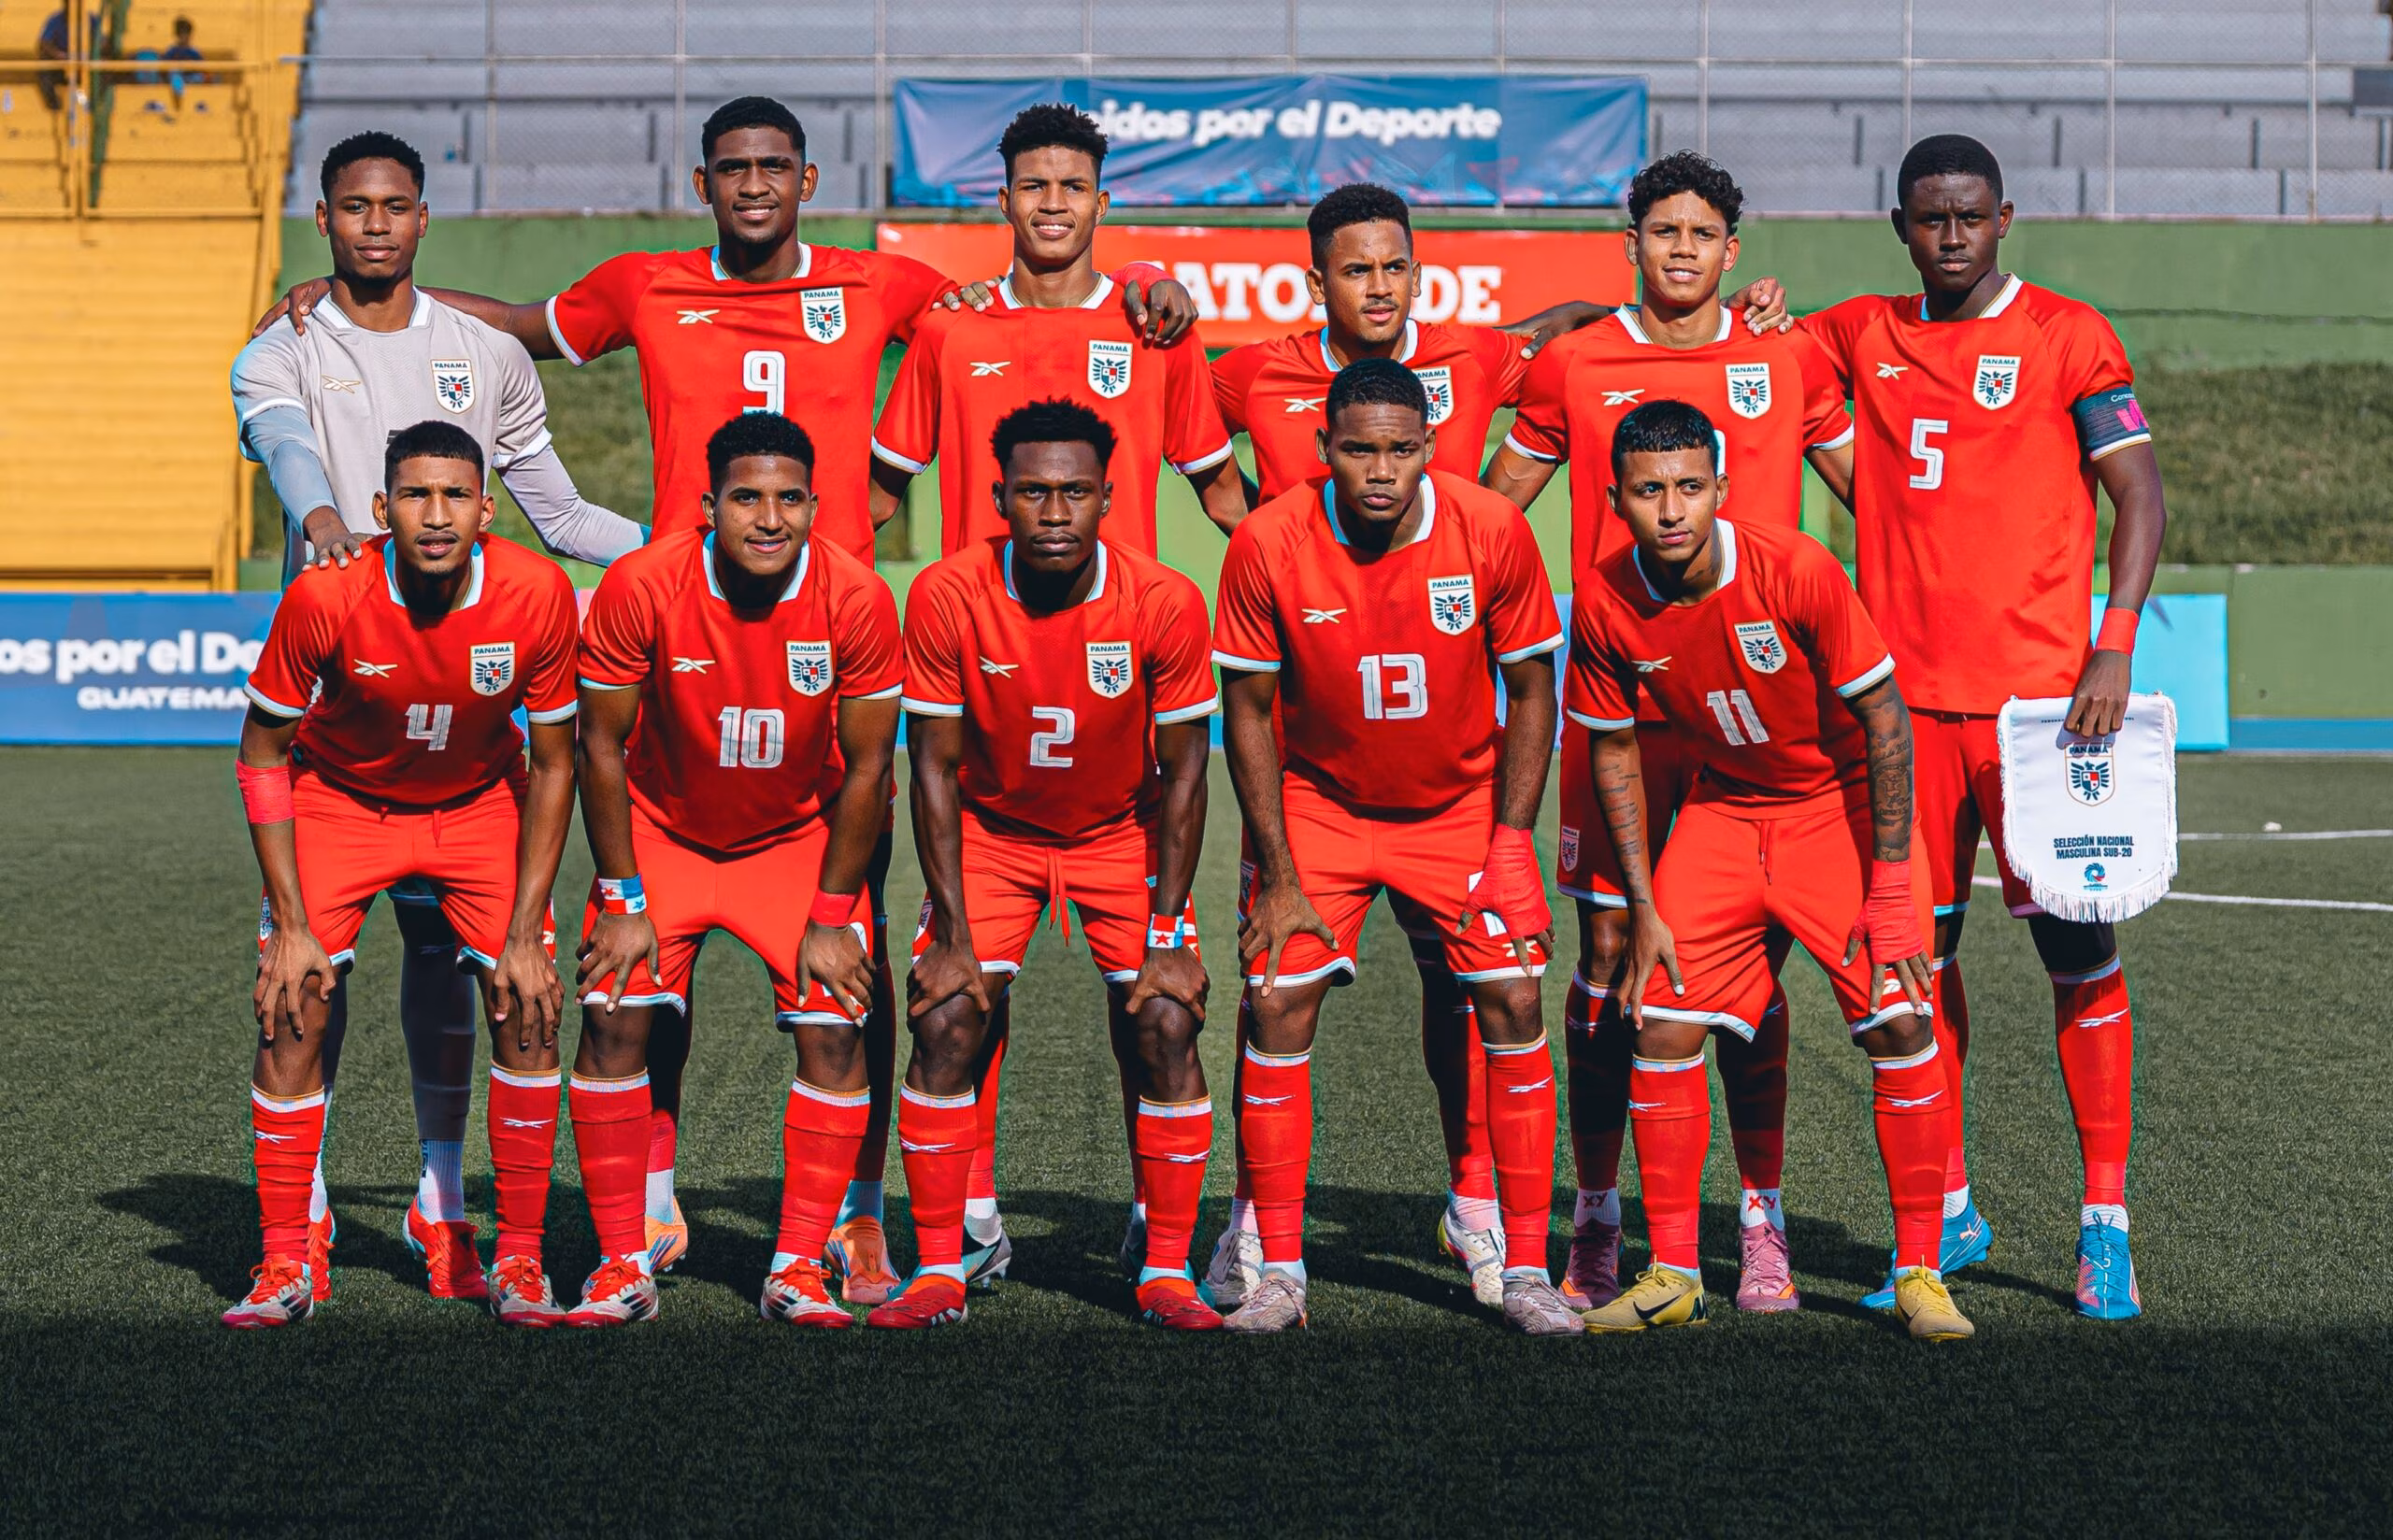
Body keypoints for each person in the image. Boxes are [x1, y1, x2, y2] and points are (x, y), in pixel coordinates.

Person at [254, 97, 1194, 1299]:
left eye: (775, 169)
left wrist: (1152, 275)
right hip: (681, 628)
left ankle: (854, 1213)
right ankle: (647, 1195)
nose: (754, 187)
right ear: (705, 181)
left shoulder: (884, 285)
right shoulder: (645, 285)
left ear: (806, 182)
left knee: (848, 941)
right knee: (648, 956)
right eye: (734, 169)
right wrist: (354, 303)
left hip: (832, 633)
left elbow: (1022, 281)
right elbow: (526, 329)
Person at [227, 130, 640, 1309]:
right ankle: (296, 1217)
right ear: (325, 218)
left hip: (466, 720)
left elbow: (555, 512)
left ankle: (446, 1195)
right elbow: (290, 450)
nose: (373, 225)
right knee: (308, 974)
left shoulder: (483, 353)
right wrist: (322, 525)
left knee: (462, 961)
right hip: (349, 690)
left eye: (394, 206)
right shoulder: (281, 346)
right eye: (353, 207)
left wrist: (683, 552)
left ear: (422, 219)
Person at [1481, 150, 1856, 1313]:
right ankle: (1597, 1218)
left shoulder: (1782, 355)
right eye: (1662, 231)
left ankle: (1760, 1219)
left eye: (1702, 233)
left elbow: (1882, 499)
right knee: (1605, 964)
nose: (1681, 250)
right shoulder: (1576, 361)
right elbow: (1493, 511)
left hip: (1763, 732)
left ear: (1732, 251)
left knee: (1748, 974)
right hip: (1625, 717)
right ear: (1629, 243)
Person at [1798, 135, 2166, 1319]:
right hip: (1902, 720)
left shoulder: (2068, 334)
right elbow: (1717, 344)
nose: (1949, 235)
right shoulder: (1857, 331)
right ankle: (1948, 1211)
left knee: (2077, 958)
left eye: (1967, 216)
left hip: (2045, 719)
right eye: (1927, 219)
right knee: (1917, 964)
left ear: (2004, 218)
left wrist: (2111, 642)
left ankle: (2102, 1221)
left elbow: (2139, 494)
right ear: (1898, 225)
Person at [1566, 400, 1970, 1343]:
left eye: (1688, 487)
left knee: (1902, 1015)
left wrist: (1893, 888)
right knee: (1660, 1017)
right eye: (1649, 491)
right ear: (1617, 498)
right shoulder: (1604, 599)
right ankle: (1672, 1270)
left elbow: (1885, 723)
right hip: (1719, 811)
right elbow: (1614, 750)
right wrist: (1642, 903)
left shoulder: (1794, 569)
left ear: (1720, 488)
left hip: (1830, 808)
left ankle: (1918, 1272)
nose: (1671, 510)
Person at [1210, 357, 1577, 1335]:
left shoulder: (1489, 528)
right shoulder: (1268, 541)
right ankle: (1276, 1268)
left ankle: (1525, 1262)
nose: (1380, 470)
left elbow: (1534, 689)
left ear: (1429, 446)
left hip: (1456, 807)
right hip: (1320, 806)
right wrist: (1278, 875)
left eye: (1401, 450)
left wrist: (1508, 839)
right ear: (1323, 447)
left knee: (1510, 993)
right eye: (1359, 449)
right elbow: (1245, 711)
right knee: (1276, 1000)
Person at [221, 421, 580, 1329]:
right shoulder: (325, 595)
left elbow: (558, 760)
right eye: (415, 495)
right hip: (342, 803)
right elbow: (263, 750)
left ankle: (523, 1258)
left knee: (529, 1006)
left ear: (486, 510)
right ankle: (283, 1256)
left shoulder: (536, 592)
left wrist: (527, 929)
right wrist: (292, 921)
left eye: (455, 495)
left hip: (474, 807)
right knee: (294, 993)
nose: (435, 514)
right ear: (383, 509)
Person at [563, 411, 902, 1328]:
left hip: (794, 842)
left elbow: (869, 767)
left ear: (813, 506)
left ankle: (797, 1263)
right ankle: (617, 1262)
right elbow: (599, 743)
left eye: (788, 498)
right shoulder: (643, 585)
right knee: (611, 1018)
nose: (768, 517)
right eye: (746, 498)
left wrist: (834, 912)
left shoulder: (856, 596)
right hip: (664, 834)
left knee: (835, 1029)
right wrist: (623, 896)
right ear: (708, 505)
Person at [888, 400, 1220, 1331]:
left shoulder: (1162, 600)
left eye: (1075, 491)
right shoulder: (949, 594)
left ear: (1109, 498)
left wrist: (1166, 931)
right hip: (995, 836)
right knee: (946, 1014)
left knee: (1164, 1017)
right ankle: (943, 1263)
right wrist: (951, 932)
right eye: (1032, 492)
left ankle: (1164, 1268)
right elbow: (934, 767)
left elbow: (1188, 771)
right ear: (999, 497)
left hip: (1123, 834)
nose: (1054, 511)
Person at [869, 101, 1248, 557]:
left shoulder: (1154, 331)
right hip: (981, 616)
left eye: (1074, 187)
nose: (1053, 203)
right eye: (1034, 186)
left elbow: (1227, 501)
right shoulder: (949, 331)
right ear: (1007, 203)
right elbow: (874, 501)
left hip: (1116, 620)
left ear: (1100, 204)